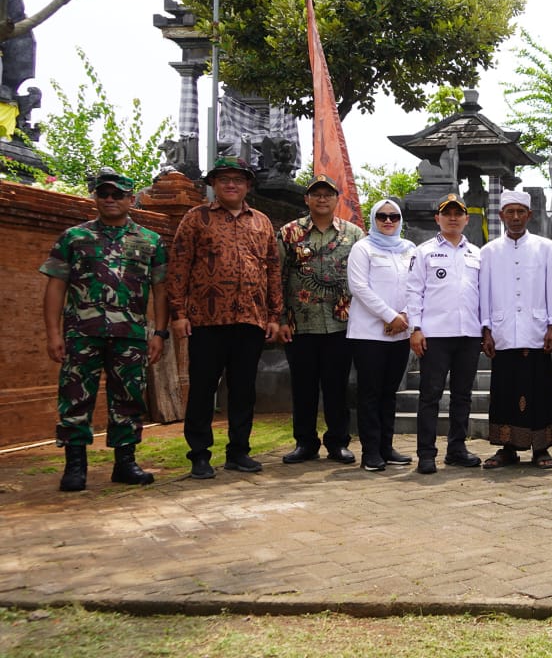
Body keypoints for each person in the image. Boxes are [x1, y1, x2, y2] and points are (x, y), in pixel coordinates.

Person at [40, 168, 168, 491]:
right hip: (82, 333)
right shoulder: (74, 238)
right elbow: (56, 286)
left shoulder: (151, 241)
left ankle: (125, 463)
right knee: (75, 398)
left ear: (131, 199)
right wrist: (53, 334)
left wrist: (159, 333)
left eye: (118, 195)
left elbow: (161, 290)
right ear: (95, 197)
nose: (110, 199)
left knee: (129, 398)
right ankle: (75, 466)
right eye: (103, 193)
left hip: (130, 335)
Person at [167, 156, 283, 479]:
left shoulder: (261, 222)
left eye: (238, 179)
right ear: (214, 184)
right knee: (203, 389)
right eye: (224, 179)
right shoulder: (196, 218)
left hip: (250, 319)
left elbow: (273, 269)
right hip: (207, 320)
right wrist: (178, 313)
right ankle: (199, 455)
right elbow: (178, 267)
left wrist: (274, 315)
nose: (231, 184)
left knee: (243, 389)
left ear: (248, 185)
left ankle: (239, 451)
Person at [277, 174, 364, 466]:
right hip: (300, 323)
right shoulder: (289, 233)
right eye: (316, 194)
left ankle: (338, 442)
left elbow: (365, 277)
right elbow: (276, 277)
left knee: (337, 387)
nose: (322, 199)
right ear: (307, 199)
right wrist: (280, 319)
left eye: (328, 194)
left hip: (341, 323)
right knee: (303, 388)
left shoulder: (354, 234)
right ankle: (305, 443)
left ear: (337, 199)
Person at [479, 190, 552, 469]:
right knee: (505, 390)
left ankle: (541, 448)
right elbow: (484, 293)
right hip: (502, 330)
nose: (515, 217)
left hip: (535, 329)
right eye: (510, 212)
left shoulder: (545, 247)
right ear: (501, 215)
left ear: (530, 215)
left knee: (538, 390)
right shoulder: (489, 251)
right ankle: (507, 448)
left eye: (520, 212)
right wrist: (486, 330)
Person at [405, 193, 484, 475]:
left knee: (462, 395)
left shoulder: (477, 253)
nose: (452, 218)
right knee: (430, 395)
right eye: (447, 213)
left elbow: (483, 294)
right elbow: (413, 292)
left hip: (469, 334)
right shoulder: (423, 251)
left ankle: (457, 449)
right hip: (435, 334)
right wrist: (415, 328)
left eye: (457, 213)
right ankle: (426, 454)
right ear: (437, 218)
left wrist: (485, 329)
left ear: (466, 218)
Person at [345, 199, 415, 474]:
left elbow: (417, 285)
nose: (388, 221)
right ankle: (371, 451)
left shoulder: (409, 248)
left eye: (393, 216)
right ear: (373, 219)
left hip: (400, 332)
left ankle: (387, 447)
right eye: (382, 216)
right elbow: (359, 287)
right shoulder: (363, 248)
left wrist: (404, 316)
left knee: (389, 392)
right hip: (369, 333)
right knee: (370, 393)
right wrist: (389, 316)